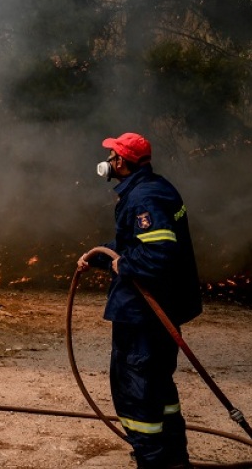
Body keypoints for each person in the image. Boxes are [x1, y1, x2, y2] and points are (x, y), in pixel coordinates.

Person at [78, 132, 203, 469]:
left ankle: (153, 461)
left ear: (121, 162)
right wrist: (101, 256)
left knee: (137, 390)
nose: (108, 159)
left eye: (112, 154)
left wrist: (125, 264)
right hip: (158, 309)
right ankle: (174, 459)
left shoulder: (144, 198)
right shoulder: (154, 188)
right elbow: (136, 241)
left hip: (144, 313)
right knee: (159, 388)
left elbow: (159, 252)